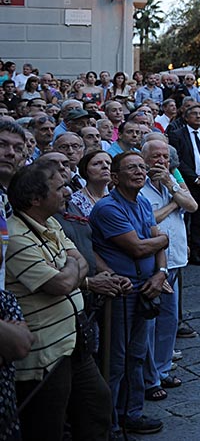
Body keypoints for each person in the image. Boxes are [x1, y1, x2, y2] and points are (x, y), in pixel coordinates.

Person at [7, 158, 111, 440]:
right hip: (45, 357)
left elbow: (82, 261)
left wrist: (69, 269)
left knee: (97, 405)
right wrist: (70, 269)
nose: (67, 192)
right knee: (47, 426)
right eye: (59, 187)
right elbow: (62, 282)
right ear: (35, 198)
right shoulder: (15, 237)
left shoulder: (50, 222)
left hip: (72, 342)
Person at [89, 152, 170, 435]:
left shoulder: (144, 201)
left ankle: (131, 412)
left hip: (147, 287)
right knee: (115, 359)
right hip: (121, 293)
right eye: (131, 167)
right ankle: (108, 423)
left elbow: (158, 244)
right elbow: (138, 247)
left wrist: (161, 273)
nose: (139, 171)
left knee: (136, 355)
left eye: (142, 167)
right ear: (115, 176)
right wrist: (162, 239)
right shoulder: (109, 208)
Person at [139, 139, 195, 402]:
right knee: (149, 322)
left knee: (169, 321)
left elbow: (192, 205)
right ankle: (148, 377)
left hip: (175, 260)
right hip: (152, 264)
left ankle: (162, 370)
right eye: (155, 157)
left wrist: (173, 189)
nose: (160, 161)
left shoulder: (174, 180)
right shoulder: (140, 187)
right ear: (145, 159)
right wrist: (175, 203)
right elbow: (151, 220)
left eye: (164, 157)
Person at [168, 104, 200, 266]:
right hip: (187, 184)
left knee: (199, 220)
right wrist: (194, 178)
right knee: (183, 218)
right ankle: (183, 252)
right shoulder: (177, 135)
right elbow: (178, 160)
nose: (198, 117)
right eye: (194, 114)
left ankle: (197, 253)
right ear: (186, 117)